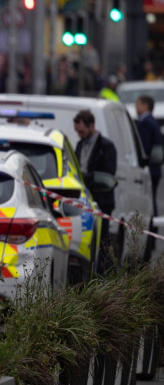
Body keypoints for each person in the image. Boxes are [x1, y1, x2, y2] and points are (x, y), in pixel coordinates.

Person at [74, 109, 117, 270]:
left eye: (82, 131)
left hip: (102, 200)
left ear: (91, 125)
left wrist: (86, 177)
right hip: (84, 200)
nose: (80, 135)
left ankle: (104, 275)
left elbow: (107, 174)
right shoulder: (79, 144)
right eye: (78, 132)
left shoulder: (106, 147)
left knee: (103, 240)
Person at [135, 95, 163, 215]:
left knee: (147, 201)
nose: (136, 107)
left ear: (145, 106)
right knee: (151, 199)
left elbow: (144, 147)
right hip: (155, 168)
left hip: (149, 169)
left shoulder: (145, 123)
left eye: (138, 104)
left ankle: (150, 229)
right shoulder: (153, 121)